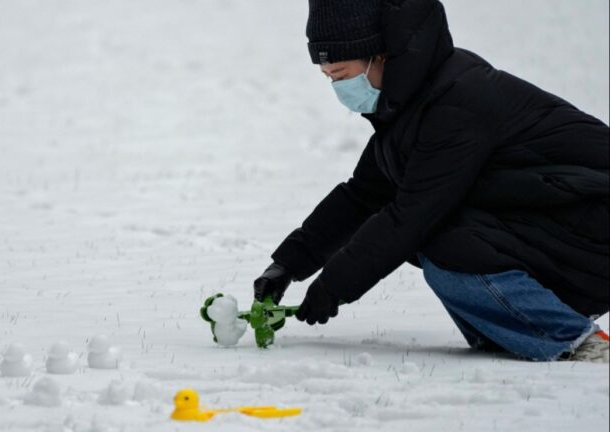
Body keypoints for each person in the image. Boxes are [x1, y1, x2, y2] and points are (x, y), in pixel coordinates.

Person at [254, 0, 610, 362]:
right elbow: (364, 196)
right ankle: (511, 331)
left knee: (442, 241)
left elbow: (412, 216)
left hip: (592, 225)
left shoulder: (457, 103)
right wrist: (287, 265)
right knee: (434, 236)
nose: (338, 88)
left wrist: (333, 287)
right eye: (329, 77)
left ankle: (574, 340)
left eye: (343, 75)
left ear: (380, 55)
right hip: (554, 224)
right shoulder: (410, 104)